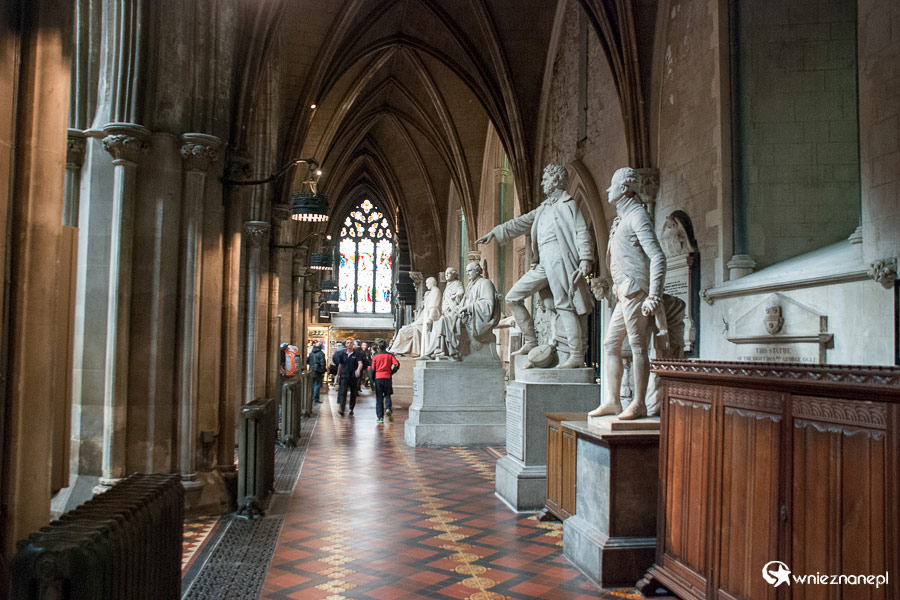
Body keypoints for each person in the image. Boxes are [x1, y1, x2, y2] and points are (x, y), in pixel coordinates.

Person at [476, 163, 594, 368]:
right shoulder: (543, 208)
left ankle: (576, 355)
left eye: (546, 179)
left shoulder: (568, 204)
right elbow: (520, 222)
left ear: (556, 180)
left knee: (564, 305)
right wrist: (495, 231)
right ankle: (531, 341)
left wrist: (586, 260)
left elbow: (582, 231)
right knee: (513, 297)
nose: (542, 183)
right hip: (542, 260)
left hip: (559, 257)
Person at [588, 167, 666, 420]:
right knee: (611, 344)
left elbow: (657, 256)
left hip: (636, 290)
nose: (608, 190)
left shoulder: (637, 215)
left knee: (637, 345)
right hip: (624, 293)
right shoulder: (622, 218)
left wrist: (654, 295)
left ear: (623, 188)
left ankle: (639, 403)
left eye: (612, 185)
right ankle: (612, 400)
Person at [422, 261, 500, 361]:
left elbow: (488, 304)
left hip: (475, 317)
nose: (467, 273)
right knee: (441, 321)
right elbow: (462, 303)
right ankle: (436, 351)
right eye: (466, 271)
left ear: (477, 271)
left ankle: (445, 351)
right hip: (465, 315)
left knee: (445, 321)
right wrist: (459, 309)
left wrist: (468, 307)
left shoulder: (485, 283)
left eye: (470, 271)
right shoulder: (470, 286)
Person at [421, 266, 464, 358]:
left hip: (453, 312)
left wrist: (457, 297)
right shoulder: (448, 286)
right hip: (446, 313)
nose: (446, 275)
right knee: (437, 324)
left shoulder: (457, 284)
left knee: (441, 322)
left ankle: (439, 350)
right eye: (445, 274)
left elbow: (461, 293)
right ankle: (435, 350)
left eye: (449, 273)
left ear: (454, 274)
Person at [371, 340, 400, 424]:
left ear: (378, 347)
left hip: (378, 377)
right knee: (387, 395)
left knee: (379, 398)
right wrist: (392, 372)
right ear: (386, 346)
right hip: (387, 377)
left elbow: (373, 369)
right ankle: (388, 408)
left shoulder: (375, 356)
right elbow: (397, 364)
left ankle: (380, 417)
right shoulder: (389, 355)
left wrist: (373, 379)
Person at [335, 337, 363, 417]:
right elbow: (340, 365)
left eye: (351, 342)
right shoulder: (342, 354)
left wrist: (358, 370)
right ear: (345, 344)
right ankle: (342, 409)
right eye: (348, 343)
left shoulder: (357, 354)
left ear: (353, 344)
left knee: (353, 392)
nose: (349, 344)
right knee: (343, 392)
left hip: (353, 376)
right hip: (344, 375)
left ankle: (351, 408)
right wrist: (338, 375)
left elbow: (360, 363)